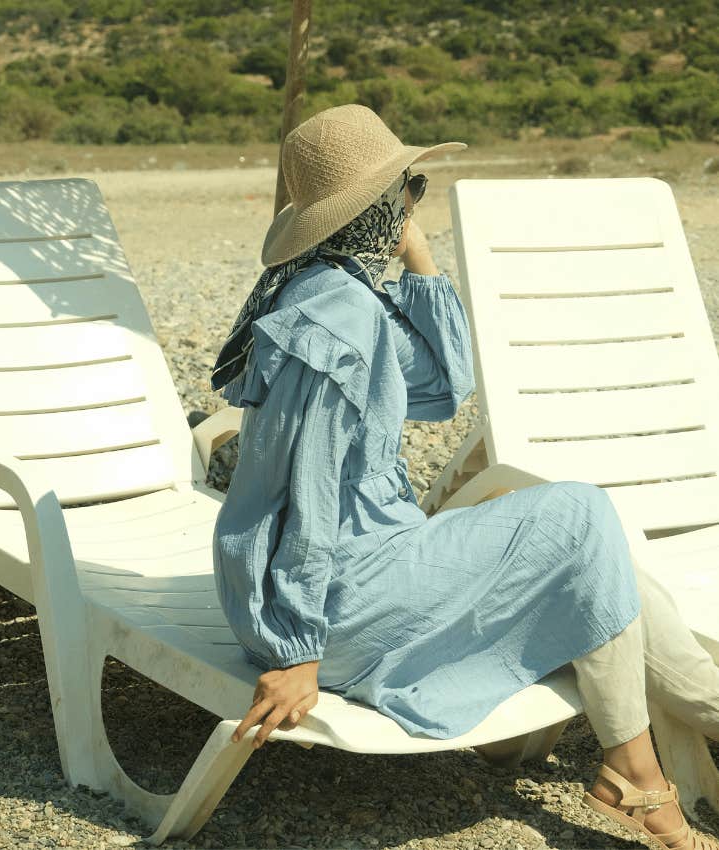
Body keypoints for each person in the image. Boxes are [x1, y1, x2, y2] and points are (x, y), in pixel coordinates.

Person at [209, 103, 719, 850]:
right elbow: (306, 499)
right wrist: (297, 652)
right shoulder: (336, 323)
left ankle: (698, 726)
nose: (410, 202)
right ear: (370, 209)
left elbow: (445, 383)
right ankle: (635, 774)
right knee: (579, 514)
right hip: (341, 605)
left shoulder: (334, 292)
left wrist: (415, 246)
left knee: (610, 569)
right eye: (403, 191)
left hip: (368, 575)